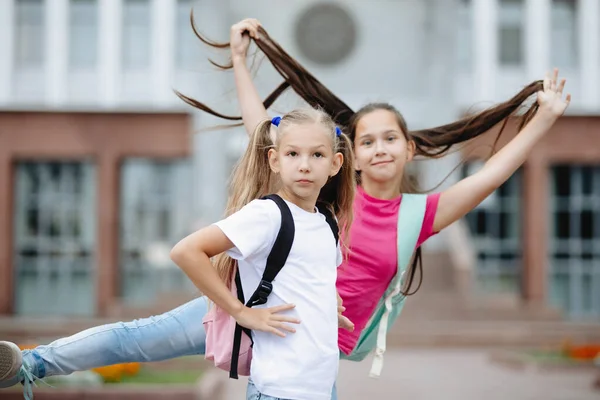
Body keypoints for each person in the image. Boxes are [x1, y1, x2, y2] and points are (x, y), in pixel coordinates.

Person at [0, 17, 571, 400]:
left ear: (410, 147)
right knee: (138, 338)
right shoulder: (318, 195)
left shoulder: (418, 216)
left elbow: (494, 174)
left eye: (390, 138)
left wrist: (541, 121)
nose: (378, 148)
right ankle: (31, 364)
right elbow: (264, 135)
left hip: (310, 349)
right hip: (252, 311)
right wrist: (243, 65)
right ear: (349, 154)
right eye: (366, 139)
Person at [170, 107, 354, 400]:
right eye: (293, 154)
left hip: (321, 389)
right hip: (278, 391)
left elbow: (311, 277)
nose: (305, 165)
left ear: (335, 164)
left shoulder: (327, 223)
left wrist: (328, 306)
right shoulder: (267, 215)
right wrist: (241, 313)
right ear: (274, 160)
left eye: (317, 155)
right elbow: (186, 251)